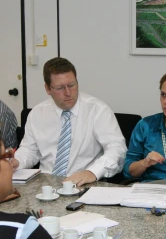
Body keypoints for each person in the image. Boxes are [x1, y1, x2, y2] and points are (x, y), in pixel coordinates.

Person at [13, 57, 127, 186]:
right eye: (60, 88)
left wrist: (93, 172)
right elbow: (30, 150)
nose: (68, 93)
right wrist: (17, 161)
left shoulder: (98, 110)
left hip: (84, 183)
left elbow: (117, 149)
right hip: (45, 184)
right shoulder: (37, 113)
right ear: (48, 89)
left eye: (72, 85)